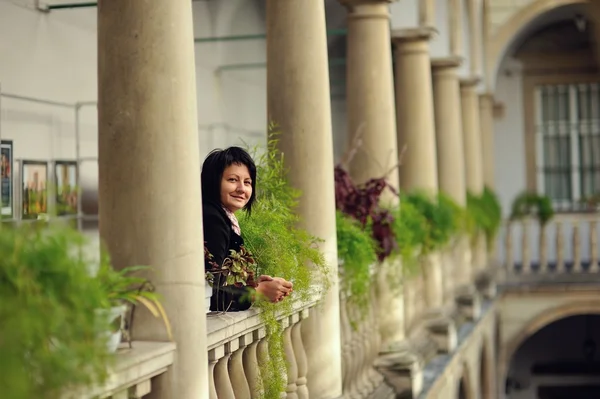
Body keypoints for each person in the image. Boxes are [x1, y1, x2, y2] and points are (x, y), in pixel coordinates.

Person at [202, 146, 293, 312]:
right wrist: (257, 292)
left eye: (247, 182)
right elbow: (210, 293)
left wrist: (255, 285)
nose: (241, 189)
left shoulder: (221, 217)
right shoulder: (211, 219)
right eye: (232, 180)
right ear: (213, 181)